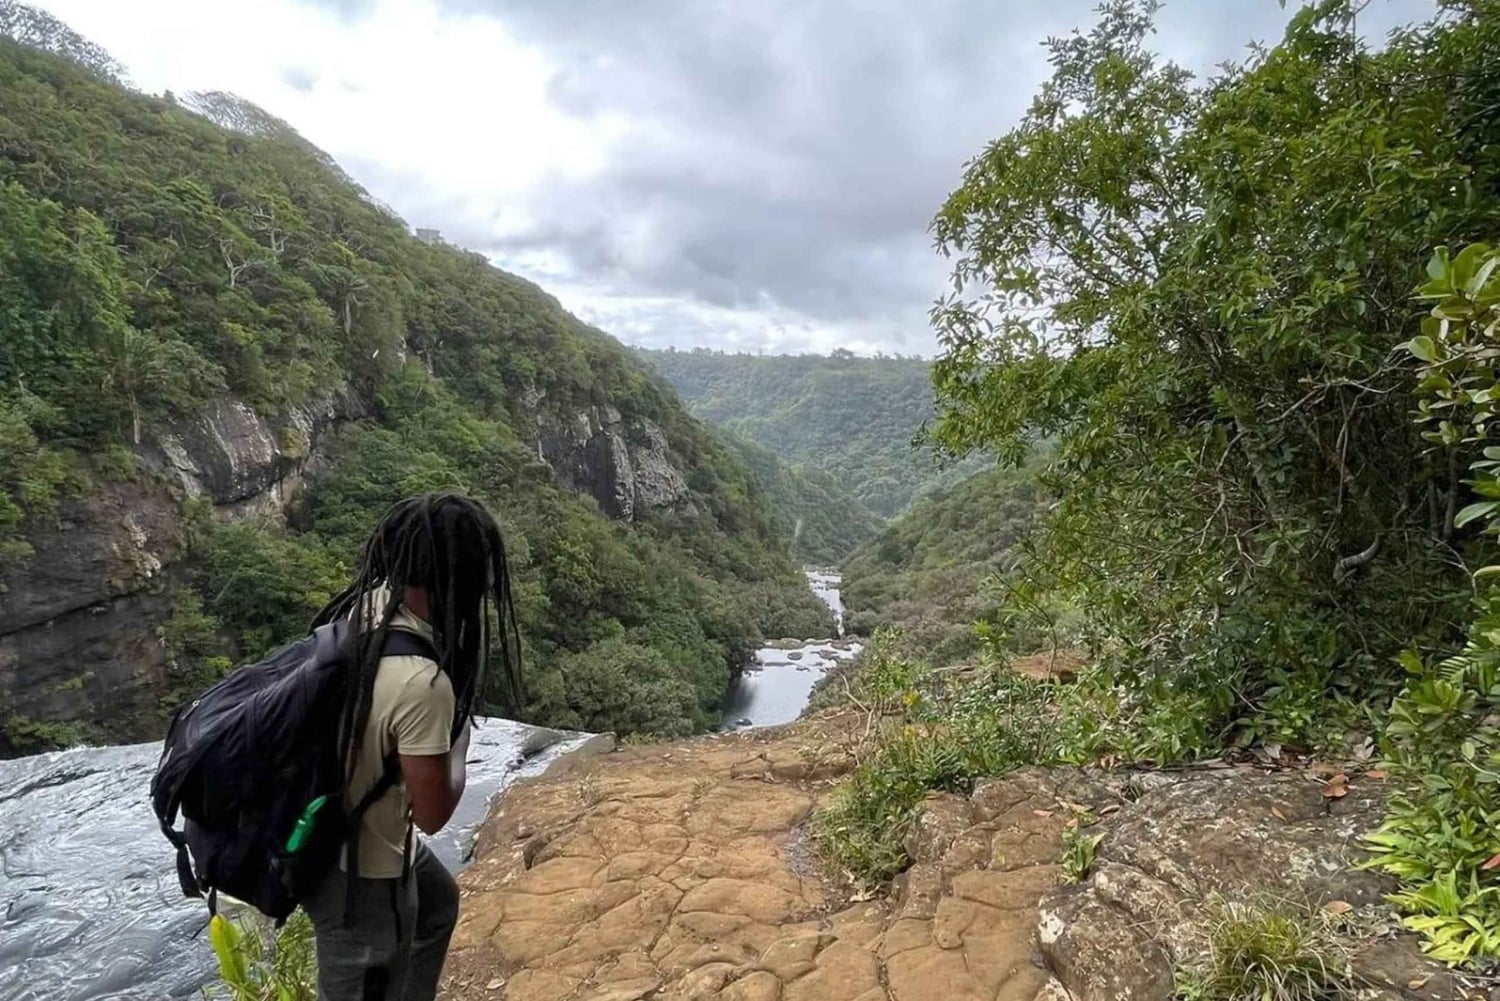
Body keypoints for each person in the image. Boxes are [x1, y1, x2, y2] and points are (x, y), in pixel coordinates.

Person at [301, 493, 524, 1001]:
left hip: (333, 823)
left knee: (438, 903)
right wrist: (458, 747)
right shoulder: (421, 683)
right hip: (360, 872)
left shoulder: (365, 609)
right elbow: (432, 814)